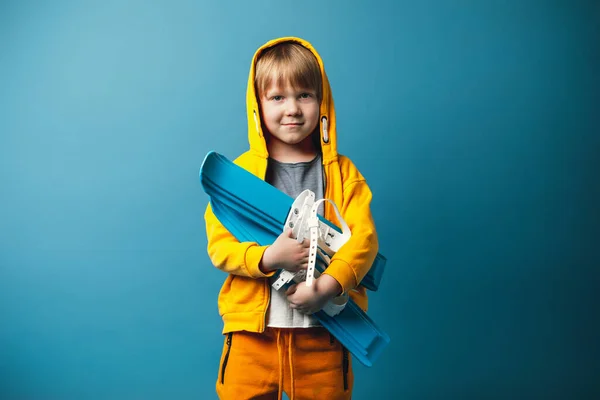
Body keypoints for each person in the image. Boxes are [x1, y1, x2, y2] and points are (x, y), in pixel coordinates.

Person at [204, 36, 379, 400]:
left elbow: (364, 241)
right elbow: (220, 247)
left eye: (304, 95)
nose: (293, 109)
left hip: (324, 336)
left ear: (322, 102)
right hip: (253, 336)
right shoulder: (240, 178)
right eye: (277, 97)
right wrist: (268, 258)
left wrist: (327, 287)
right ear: (257, 105)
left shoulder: (344, 174)